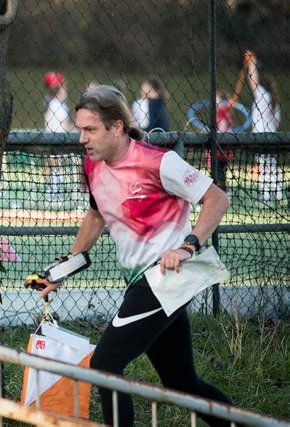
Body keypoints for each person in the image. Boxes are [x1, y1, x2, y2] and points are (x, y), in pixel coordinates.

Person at [38, 85, 233, 426]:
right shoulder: (92, 165)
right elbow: (97, 215)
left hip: (163, 279)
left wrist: (188, 245)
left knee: (105, 365)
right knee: (180, 382)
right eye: (80, 129)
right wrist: (63, 269)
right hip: (141, 281)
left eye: (90, 130)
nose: (82, 138)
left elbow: (217, 199)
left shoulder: (159, 162)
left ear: (116, 126)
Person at [244, 51, 284, 201]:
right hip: (271, 135)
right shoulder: (274, 101)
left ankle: (266, 196)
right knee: (272, 165)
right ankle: (279, 194)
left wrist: (252, 63)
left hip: (261, 135)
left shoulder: (262, 95)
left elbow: (253, 81)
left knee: (263, 165)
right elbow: (277, 123)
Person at [43, 72, 74, 200]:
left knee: (56, 168)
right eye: (63, 88)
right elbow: (65, 125)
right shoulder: (56, 104)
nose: (66, 90)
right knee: (55, 167)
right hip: (55, 140)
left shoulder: (58, 104)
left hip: (58, 140)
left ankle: (54, 193)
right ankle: (53, 194)